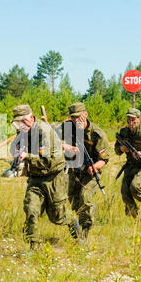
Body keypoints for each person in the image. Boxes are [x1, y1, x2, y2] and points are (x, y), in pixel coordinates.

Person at [10, 104, 81, 250]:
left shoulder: (43, 131)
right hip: (36, 177)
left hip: (54, 177)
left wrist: (28, 156)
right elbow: (16, 147)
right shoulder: (23, 132)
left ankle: (77, 234)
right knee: (31, 210)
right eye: (17, 123)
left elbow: (47, 161)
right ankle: (34, 247)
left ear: (31, 117)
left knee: (58, 217)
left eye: (22, 121)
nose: (20, 125)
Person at [57, 102, 109, 242]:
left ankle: (84, 234)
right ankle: (76, 229)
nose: (75, 120)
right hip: (72, 170)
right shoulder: (67, 128)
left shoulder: (97, 133)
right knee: (74, 202)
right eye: (73, 117)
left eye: (78, 117)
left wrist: (95, 167)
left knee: (85, 198)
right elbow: (51, 138)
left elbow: (104, 159)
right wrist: (65, 146)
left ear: (85, 114)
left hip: (89, 172)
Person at [114, 108, 141, 218]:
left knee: (136, 187)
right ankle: (135, 219)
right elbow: (116, 149)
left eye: (133, 120)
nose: (130, 123)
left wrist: (140, 154)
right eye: (128, 120)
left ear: (139, 119)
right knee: (125, 192)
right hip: (130, 165)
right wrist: (121, 148)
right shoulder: (123, 132)